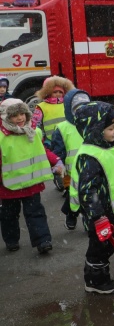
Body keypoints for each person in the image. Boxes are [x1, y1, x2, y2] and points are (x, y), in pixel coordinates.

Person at [71, 101, 114, 294]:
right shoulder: (90, 156)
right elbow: (87, 191)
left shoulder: (111, 145)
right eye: (110, 128)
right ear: (94, 130)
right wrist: (98, 218)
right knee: (100, 249)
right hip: (102, 215)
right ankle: (96, 281)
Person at [0, 98, 60, 254]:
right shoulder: (2, 136)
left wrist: (56, 161)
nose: (20, 118)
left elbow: (43, 150)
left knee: (36, 213)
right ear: (6, 117)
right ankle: (11, 240)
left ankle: (43, 240)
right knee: (9, 216)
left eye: (22, 114)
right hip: (8, 186)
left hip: (32, 183)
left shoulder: (33, 131)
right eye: (14, 115)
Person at [52, 88, 91, 230]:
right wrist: (58, 164)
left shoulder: (91, 123)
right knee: (73, 196)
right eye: (77, 108)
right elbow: (58, 150)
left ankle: (89, 222)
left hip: (90, 168)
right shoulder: (63, 128)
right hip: (71, 172)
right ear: (69, 109)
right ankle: (71, 215)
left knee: (89, 197)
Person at [33, 76, 74, 193]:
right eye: (54, 92)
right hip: (51, 140)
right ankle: (59, 179)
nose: (57, 94)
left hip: (67, 137)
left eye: (60, 92)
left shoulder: (67, 104)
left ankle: (67, 183)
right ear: (48, 92)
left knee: (68, 160)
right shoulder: (42, 107)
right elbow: (36, 124)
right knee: (57, 160)